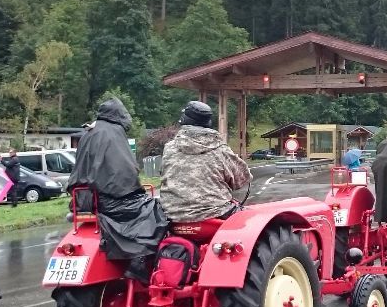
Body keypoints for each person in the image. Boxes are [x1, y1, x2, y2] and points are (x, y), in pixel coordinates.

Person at [68, 97, 167, 280]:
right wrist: (137, 189)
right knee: (155, 210)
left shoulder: (88, 133)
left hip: (81, 200)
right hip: (108, 201)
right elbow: (126, 173)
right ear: (120, 115)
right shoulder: (113, 133)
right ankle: (140, 260)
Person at [160, 101, 252, 223]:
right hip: (215, 214)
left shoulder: (169, 148)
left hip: (171, 216)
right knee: (250, 220)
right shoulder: (220, 149)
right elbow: (242, 178)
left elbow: (163, 175)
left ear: (183, 120)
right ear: (208, 123)